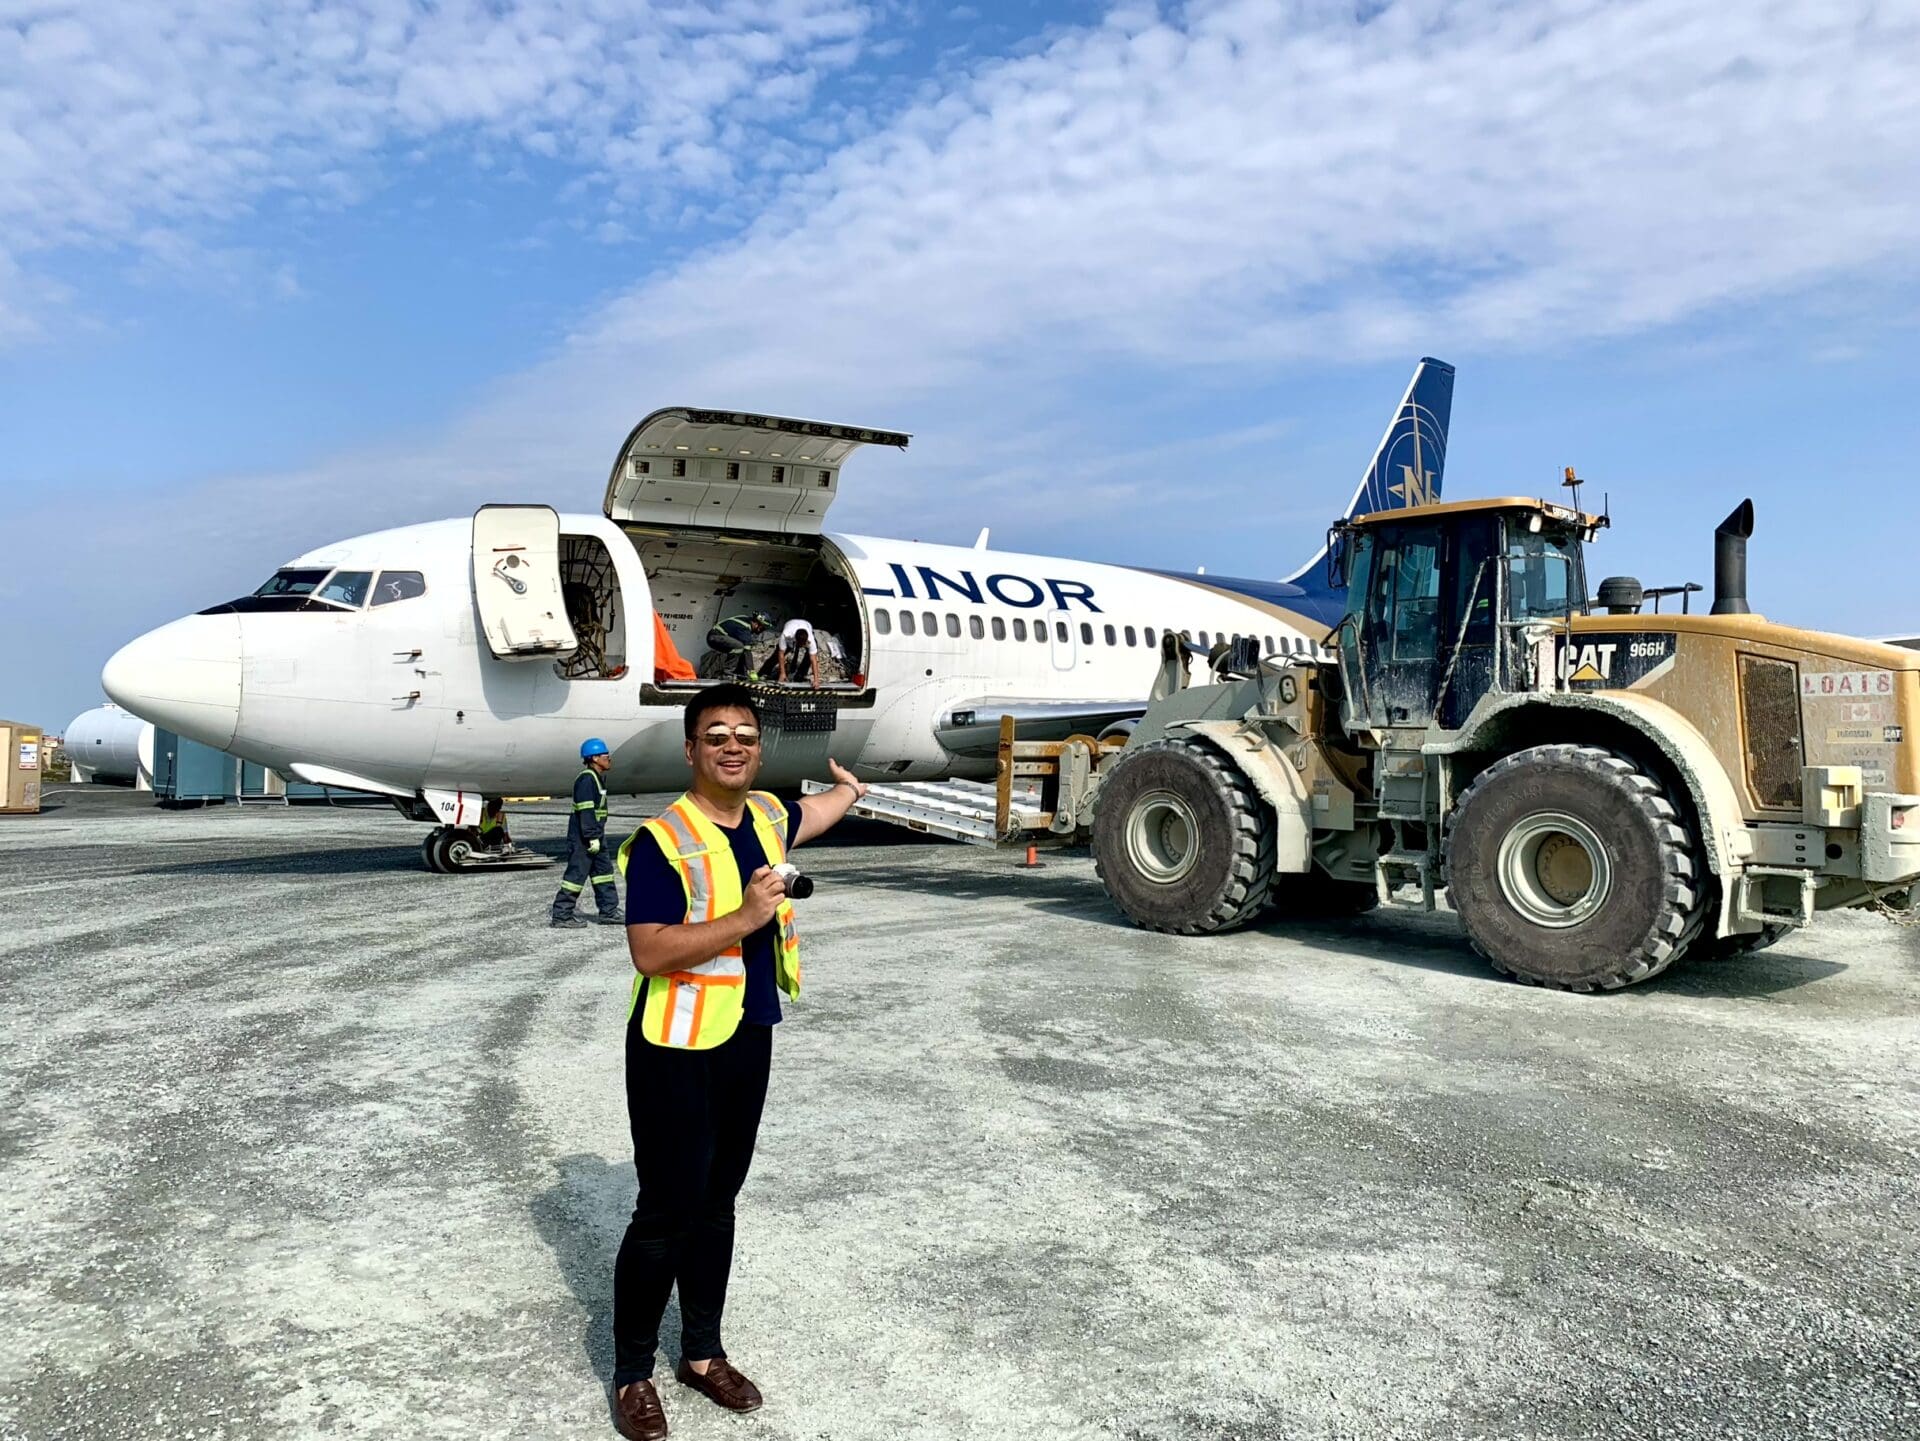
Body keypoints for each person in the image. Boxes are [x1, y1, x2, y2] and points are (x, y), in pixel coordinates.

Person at [607, 683, 868, 1441]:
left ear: (758, 749)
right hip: (673, 1044)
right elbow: (649, 949)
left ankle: (700, 1353)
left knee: (719, 1201)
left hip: (748, 1033)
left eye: (745, 735)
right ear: (691, 749)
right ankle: (631, 1372)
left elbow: (806, 815)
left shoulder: (765, 815)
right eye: (715, 733)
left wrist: (847, 791)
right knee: (665, 1209)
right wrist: (747, 917)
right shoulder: (664, 838)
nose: (732, 744)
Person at [551, 738, 622, 929]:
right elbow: (586, 811)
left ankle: (609, 911)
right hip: (584, 837)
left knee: (603, 874)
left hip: (595, 835)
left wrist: (596, 836)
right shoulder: (586, 780)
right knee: (576, 876)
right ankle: (561, 915)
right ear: (594, 758)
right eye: (605, 755)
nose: (609, 758)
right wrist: (591, 837)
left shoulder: (596, 778)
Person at [702, 612, 771, 682]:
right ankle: (727, 674)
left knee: (738, 649)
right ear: (757, 624)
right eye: (762, 628)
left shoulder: (745, 618)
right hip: (715, 637)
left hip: (716, 636)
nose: (761, 631)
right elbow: (747, 652)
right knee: (739, 647)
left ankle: (735, 673)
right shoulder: (745, 627)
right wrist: (752, 671)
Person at [774, 617, 821, 688]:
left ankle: (800, 675)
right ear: (795, 640)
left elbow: (813, 660)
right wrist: (782, 673)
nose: (802, 646)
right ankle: (764, 672)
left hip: (806, 625)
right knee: (776, 654)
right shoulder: (786, 634)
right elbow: (781, 654)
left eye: (803, 644)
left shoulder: (811, 640)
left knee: (809, 656)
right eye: (800, 644)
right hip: (790, 624)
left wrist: (816, 680)